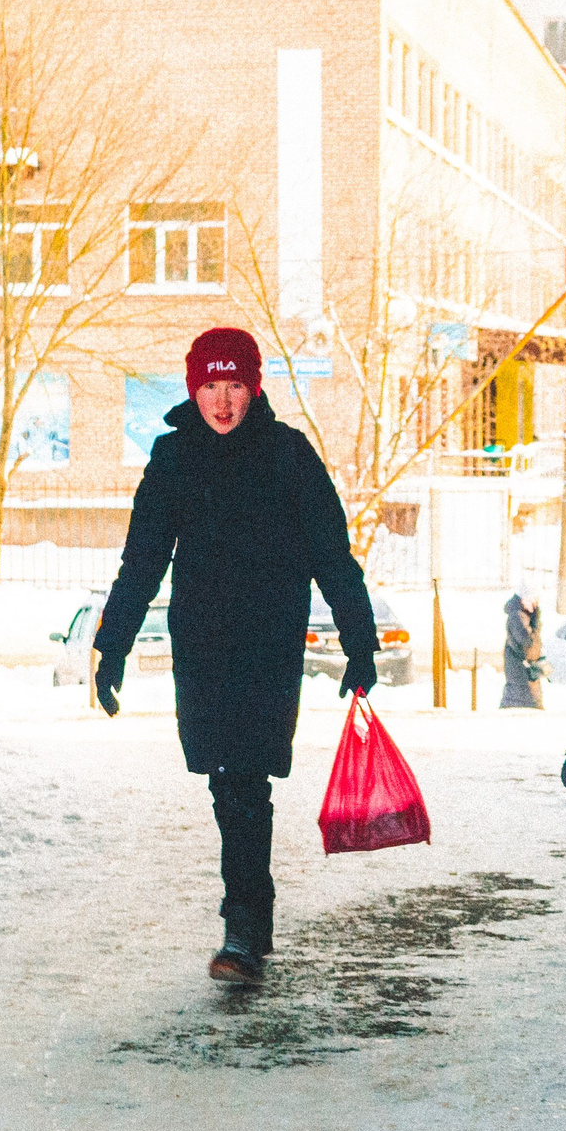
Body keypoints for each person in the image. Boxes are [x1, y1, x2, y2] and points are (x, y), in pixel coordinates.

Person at [91, 327, 378, 986]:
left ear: (255, 388)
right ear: (194, 390)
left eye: (235, 386)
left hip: (268, 644)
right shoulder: (173, 459)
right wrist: (112, 648)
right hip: (203, 644)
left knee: (245, 780)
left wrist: (360, 642)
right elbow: (141, 561)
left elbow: (333, 557)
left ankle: (243, 928)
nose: (222, 402)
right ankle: (253, 920)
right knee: (227, 784)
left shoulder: (289, 456)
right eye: (210, 386)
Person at [501, 581, 545, 709]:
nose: (536, 604)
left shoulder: (523, 616)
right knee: (525, 712)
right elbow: (530, 648)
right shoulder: (518, 617)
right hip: (522, 678)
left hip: (521, 676)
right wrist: (537, 621)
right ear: (524, 599)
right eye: (534, 599)